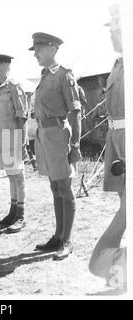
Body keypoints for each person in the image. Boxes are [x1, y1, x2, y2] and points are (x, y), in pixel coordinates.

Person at [29, 32, 82, 260]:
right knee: (54, 187)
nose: (36, 55)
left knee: (65, 188)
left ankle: (67, 240)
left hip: (59, 135)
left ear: (52, 49)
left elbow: (75, 111)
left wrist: (76, 144)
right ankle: (58, 236)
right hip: (45, 135)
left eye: (39, 50)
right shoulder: (44, 76)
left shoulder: (64, 75)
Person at [89, 4, 126, 292]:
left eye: (118, 26)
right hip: (119, 144)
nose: (112, 32)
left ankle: (116, 272)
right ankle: (120, 274)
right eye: (111, 27)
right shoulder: (118, 64)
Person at [0, 53, 29, 233]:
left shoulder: (14, 86)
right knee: (10, 175)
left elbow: (23, 115)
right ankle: (12, 212)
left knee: (18, 176)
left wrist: (23, 141)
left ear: (4, 67)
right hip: (1, 137)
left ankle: (21, 215)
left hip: (13, 137)